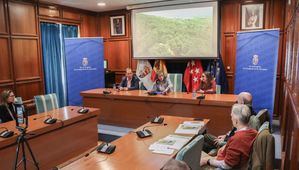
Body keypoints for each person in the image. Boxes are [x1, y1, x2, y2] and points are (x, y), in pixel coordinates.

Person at [200, 104, 257, 169]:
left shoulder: (237, 139)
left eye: (231, 116)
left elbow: (227, 165)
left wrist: (207, 161)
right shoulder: (253, 132)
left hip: (222, 166)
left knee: (194, 158)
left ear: (236, 120)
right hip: (222, 159)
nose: (231, 119)